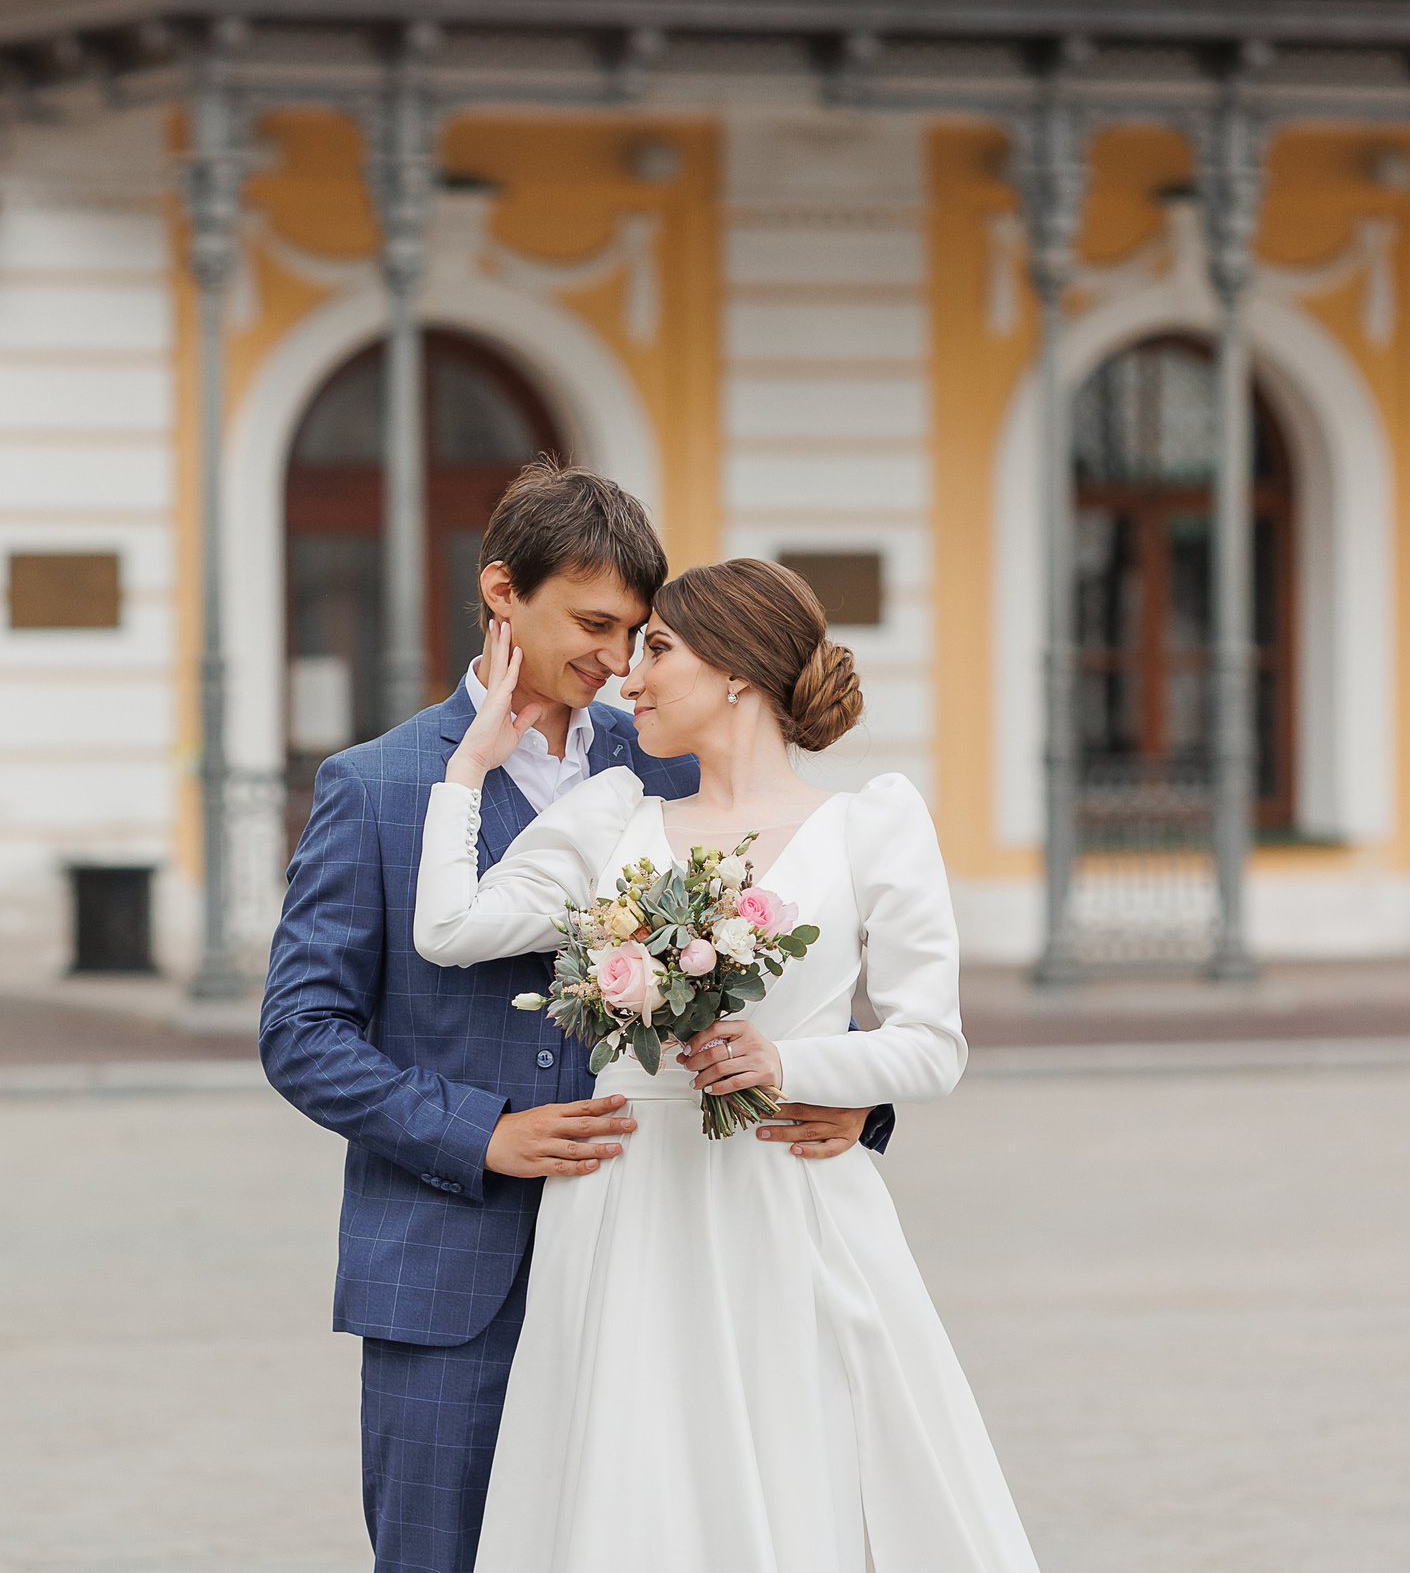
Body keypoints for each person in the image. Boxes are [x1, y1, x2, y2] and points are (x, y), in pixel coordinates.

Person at [259, 462, 891, 1573]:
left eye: (637, 634)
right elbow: (302, 1033)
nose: (616, 660)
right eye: (592, 624)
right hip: (456, 1277)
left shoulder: (667, 767)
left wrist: (856, 1096)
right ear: (503, 592)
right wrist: (480, 1134)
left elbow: (811, 939)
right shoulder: (378, 784)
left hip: (657, 1263)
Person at [415, 557, 1039, 1571]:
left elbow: (932, 1046)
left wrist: (789, 1064)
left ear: (739, 671)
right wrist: (467, 773)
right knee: (633, 1476)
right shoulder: (614, 814)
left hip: (786, 1201)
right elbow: (449, 928)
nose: (630, 677)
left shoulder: (871, 826)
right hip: (626, 1202)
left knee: (806, 1459)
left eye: (657, 649)